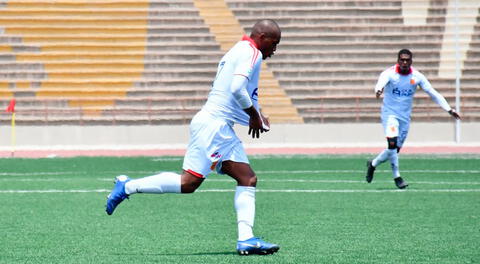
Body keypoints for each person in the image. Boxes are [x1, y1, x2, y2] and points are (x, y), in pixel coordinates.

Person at [105, 19, 281, 256]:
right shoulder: (252, 53)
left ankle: (246, 239)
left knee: (246, 179)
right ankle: (128, 186)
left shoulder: (238, 50)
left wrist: (258, 115)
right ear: (262, 36)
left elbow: (233, 91)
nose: (275, 49)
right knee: (188, 183)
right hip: (214, 128)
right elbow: (237, 89)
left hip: (217, 126)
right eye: (274, 43)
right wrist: (252, 115)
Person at [366, 49, 461, 189]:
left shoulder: (417, 76)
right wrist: (378, 90)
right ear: (398, 60)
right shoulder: (389, 74)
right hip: (390, 115)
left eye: (407, 60)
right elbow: (380, 83)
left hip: (405, 118)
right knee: (392, 143)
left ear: (411, 61)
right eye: (402, 60)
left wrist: (449, 109)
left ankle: (373, 164)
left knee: (393, 151)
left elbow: (433, 93)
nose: (404, 62)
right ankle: (397, 177)